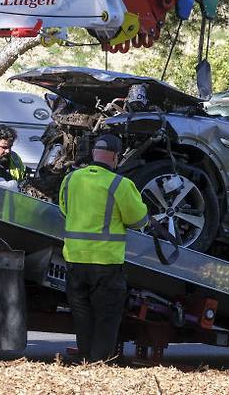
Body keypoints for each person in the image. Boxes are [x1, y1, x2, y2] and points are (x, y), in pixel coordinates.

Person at [59, 134, 148, 362]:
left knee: (82, 317)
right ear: (116, 157)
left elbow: (64, 210)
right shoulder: (120, 184)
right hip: (106, 264)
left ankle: (86, 359)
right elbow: (138, 220)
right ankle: (99, 363)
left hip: (75, 261)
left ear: (94, 153)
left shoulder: (71, 179)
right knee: (106, 319)